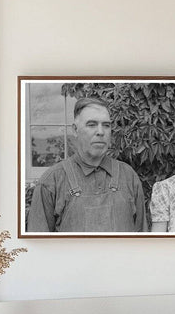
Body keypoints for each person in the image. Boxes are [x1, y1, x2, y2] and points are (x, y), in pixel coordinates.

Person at [27, 98, 147, 232]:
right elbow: (38, 247)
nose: (101, 132)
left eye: (106, 125)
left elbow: (142, 241)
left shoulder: (128, 176)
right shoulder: (52, 181)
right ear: (75, 130)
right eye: (91, 124)